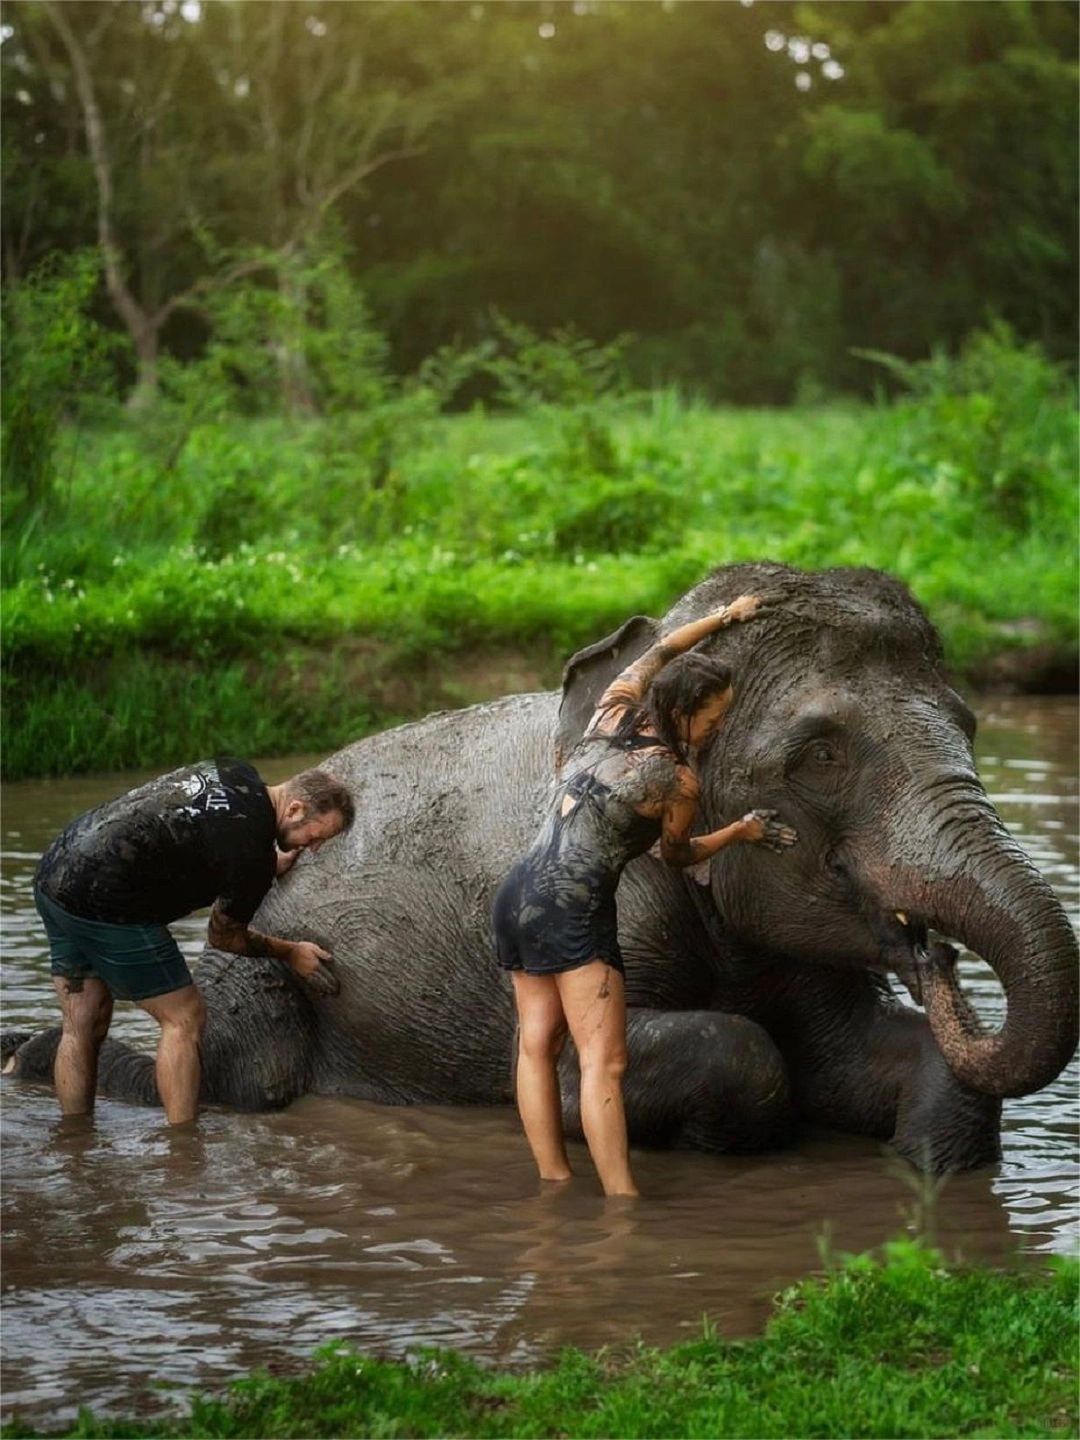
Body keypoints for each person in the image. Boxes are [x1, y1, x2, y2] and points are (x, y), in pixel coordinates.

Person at [493, 595, 797, 1196]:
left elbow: (660, 650)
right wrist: (741, 831)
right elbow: (677, 856)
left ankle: (553, 1182)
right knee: (604, 1062)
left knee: (535, 1045)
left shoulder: (611, 708)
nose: (716, 730)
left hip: (516, 894)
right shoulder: (676, 779)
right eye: (713, 719)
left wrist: (725, 617)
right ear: (684, 712)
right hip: (573, 904)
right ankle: (621, 1202)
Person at [33, 758, 354, 1126]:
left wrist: (260, 861)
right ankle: (183, 1150)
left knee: (82, 1022)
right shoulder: (250, 855)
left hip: (58, 871)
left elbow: (208, 827)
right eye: (315, 837)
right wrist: (291, 952)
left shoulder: (237, 771)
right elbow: (224, 938)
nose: (312, 848)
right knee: (184, 1018)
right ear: (295, 809)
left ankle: (74, 1140)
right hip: (104, 897)